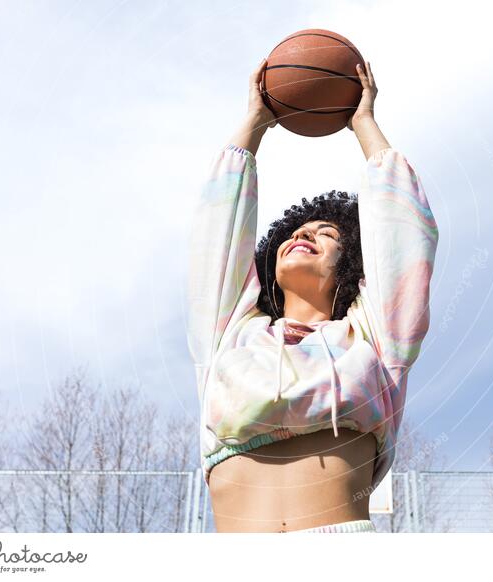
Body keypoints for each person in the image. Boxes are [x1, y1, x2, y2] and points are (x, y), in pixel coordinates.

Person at [187, 59, 439, 533]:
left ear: (351, 267)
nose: (306, 234)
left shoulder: (375, 340)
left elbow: (404, 240)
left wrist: (363, 123)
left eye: (327, 234)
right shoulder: (232, 335)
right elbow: (214, 237)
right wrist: (255, 124)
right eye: (297, 230)